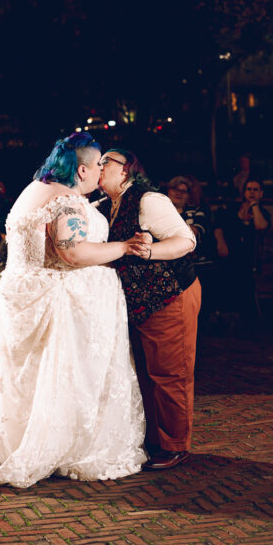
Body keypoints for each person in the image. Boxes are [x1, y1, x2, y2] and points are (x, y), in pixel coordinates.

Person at [0, 133, 148, 489]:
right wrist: (122, 247)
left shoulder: (33, 190)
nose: (100, 171)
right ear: (81, 170)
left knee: (29, 377)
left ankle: (20, 441)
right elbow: (72, 253)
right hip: (57, 302)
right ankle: (65, 446)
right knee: (63, 375)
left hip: (20, 295)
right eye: (97, 166)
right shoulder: (66, 200)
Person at [99, 148, 200, 471]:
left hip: (169, 295)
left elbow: (186, 240)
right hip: (139, 302)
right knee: (146, 372)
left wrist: (150, 251)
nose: (99, 167)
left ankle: (175, 445)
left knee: (171, 373)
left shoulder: (148, 200)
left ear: (126, 170)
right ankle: (155, 439)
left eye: (106, 163)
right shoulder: (108, 205)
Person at [214, 179, 271, 319]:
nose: (252, 192)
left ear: (261, 193)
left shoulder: (263, 213)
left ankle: (243, 310)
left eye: (256, 190)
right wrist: (221, 243)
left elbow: (261, 226)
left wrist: (255, 206)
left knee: (242, 269)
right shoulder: (232, 209)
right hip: (229, 249)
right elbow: (219, 226)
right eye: (249, 189)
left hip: (249, 254)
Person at [166, 176, 208, 250]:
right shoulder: (161, 209)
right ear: (168, 191)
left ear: (188, 195)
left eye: (183, 191)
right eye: (175, 189)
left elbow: (194, 233)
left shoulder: (196, 211)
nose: (178, 193)